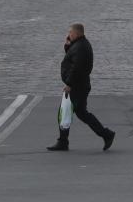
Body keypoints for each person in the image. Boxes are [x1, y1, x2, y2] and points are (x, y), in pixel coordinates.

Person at [48, 23, 115, 152]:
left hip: (77, 86)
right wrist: (68, 45)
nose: (69, 34)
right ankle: (107, 134)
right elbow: (72, 59)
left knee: (64, 112)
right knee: (82, 113)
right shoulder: (79, 45)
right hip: (81, 85)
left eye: (70, 32)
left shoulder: (81, 47)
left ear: (77, 33)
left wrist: (69, 84)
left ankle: (63, 142)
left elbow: (77, 68)